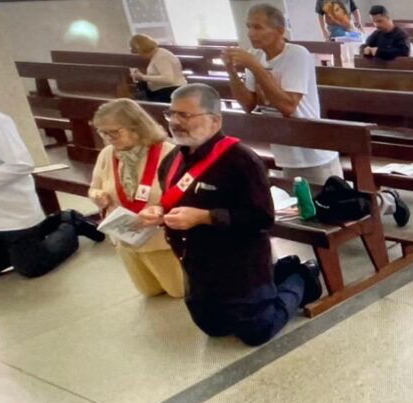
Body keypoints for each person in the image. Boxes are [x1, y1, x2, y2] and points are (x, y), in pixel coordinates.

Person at [138, 84, 322, 346]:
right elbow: (171, 200)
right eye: (171, 114)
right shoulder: (172, 161)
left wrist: (205, 217)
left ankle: (301, 277)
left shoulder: (241, 160)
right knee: (213, 328)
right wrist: (159, 211)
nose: (175, 122)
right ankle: (280, 273)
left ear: (214, 121)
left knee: (256, 332)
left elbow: (262, 219)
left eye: (185, 115)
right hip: (196, 264)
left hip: (241, 262)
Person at [223, 3, 410, 226]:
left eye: (258, 27)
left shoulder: (296, 55)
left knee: (342, 208)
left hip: (313, 145)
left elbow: (287, 106)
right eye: (249, 27)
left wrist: (255, 67)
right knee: (311, 212)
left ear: (280, 31)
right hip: (284, 144)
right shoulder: (256, 57)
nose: (251, 33)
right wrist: (231, 71)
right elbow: (248, 105)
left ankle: (387, 199)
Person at [0, 99, 104, 281]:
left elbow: (21, 164)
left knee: (33, 265)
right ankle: (40, 231)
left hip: (8, 207)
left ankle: (69, 223)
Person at [89, 98, 184, 298]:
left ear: (137, 127)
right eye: (103, 132)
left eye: (114, 132)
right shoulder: (107, 154)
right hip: (125, 236)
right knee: (149, 292)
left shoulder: (168, 152)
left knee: (178, 291)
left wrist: (159, 208)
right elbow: (94, 187)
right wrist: (97, 196)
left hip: (159, 236)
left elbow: (184, 195)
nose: (108, 138)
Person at [129, 34, 188, 103]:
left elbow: (168, 79)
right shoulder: (158, 54)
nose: (140, 56)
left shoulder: (161, 57)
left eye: (139, 53)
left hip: (170, 93)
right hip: (163, 92)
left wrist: (143, 77)